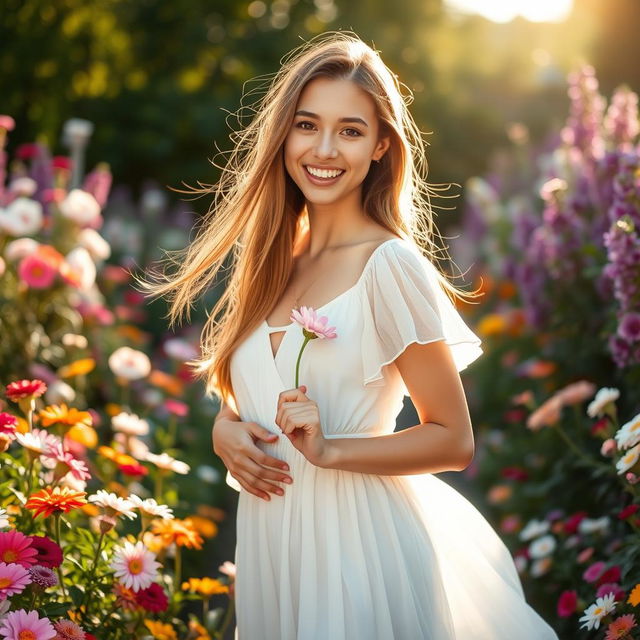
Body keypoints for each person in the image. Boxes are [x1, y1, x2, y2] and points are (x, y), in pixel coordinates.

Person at [140, 31, 559, 640]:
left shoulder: (388, 265)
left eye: (351, 130)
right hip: (273, 550)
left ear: (381, 145)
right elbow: (252, 399)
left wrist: (333, 450)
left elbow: (453, 438)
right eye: (307, 125)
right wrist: (225, 428)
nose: (325, 149)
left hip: (359, 550)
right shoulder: (271, 261)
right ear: (283, 133)